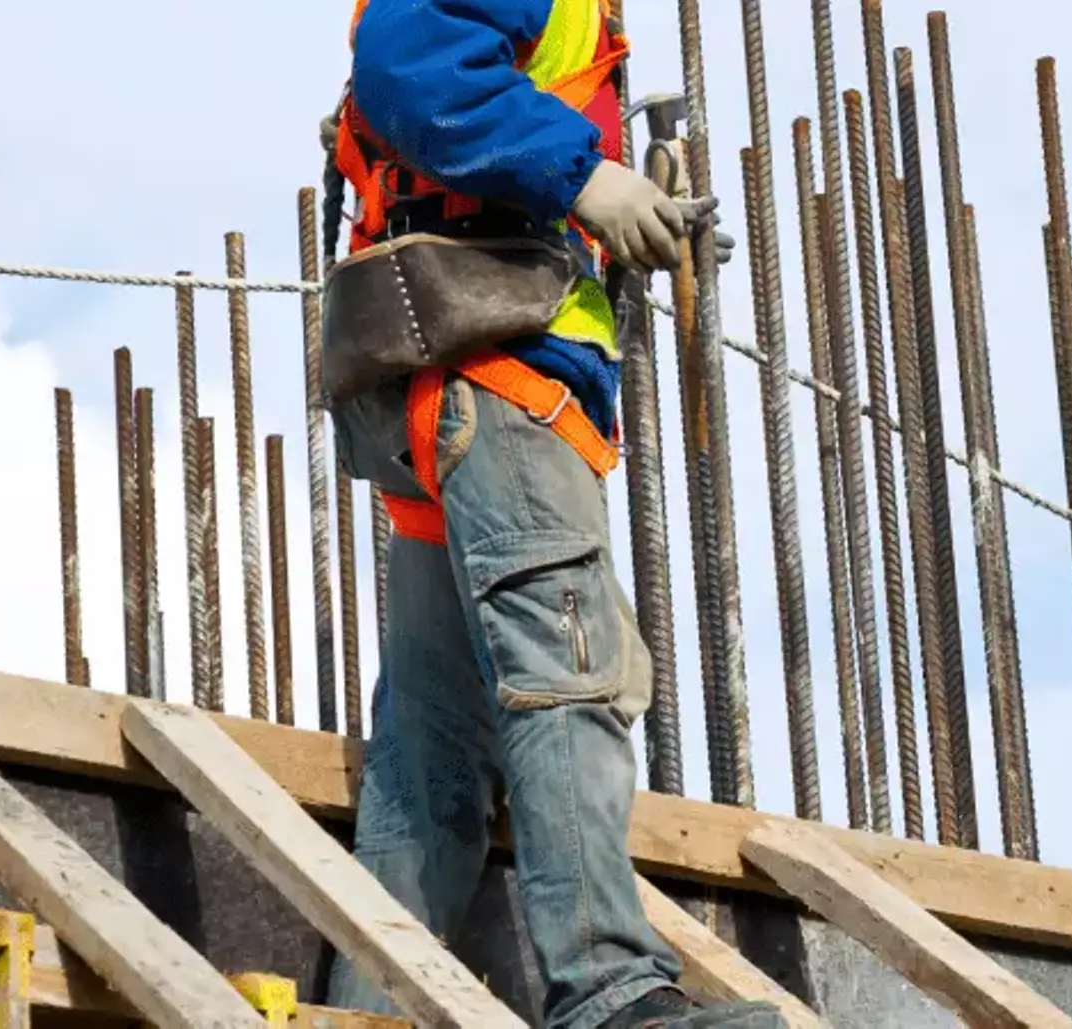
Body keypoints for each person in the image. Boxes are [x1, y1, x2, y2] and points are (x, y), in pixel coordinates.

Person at [316, 1, 774, 1026]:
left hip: (449, 378)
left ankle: (370, 1009)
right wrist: (587, 176)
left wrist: (617, 203)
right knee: (566, 677)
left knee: (430, 747)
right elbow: (412, 67)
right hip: (504, 371)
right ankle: (610, 994)